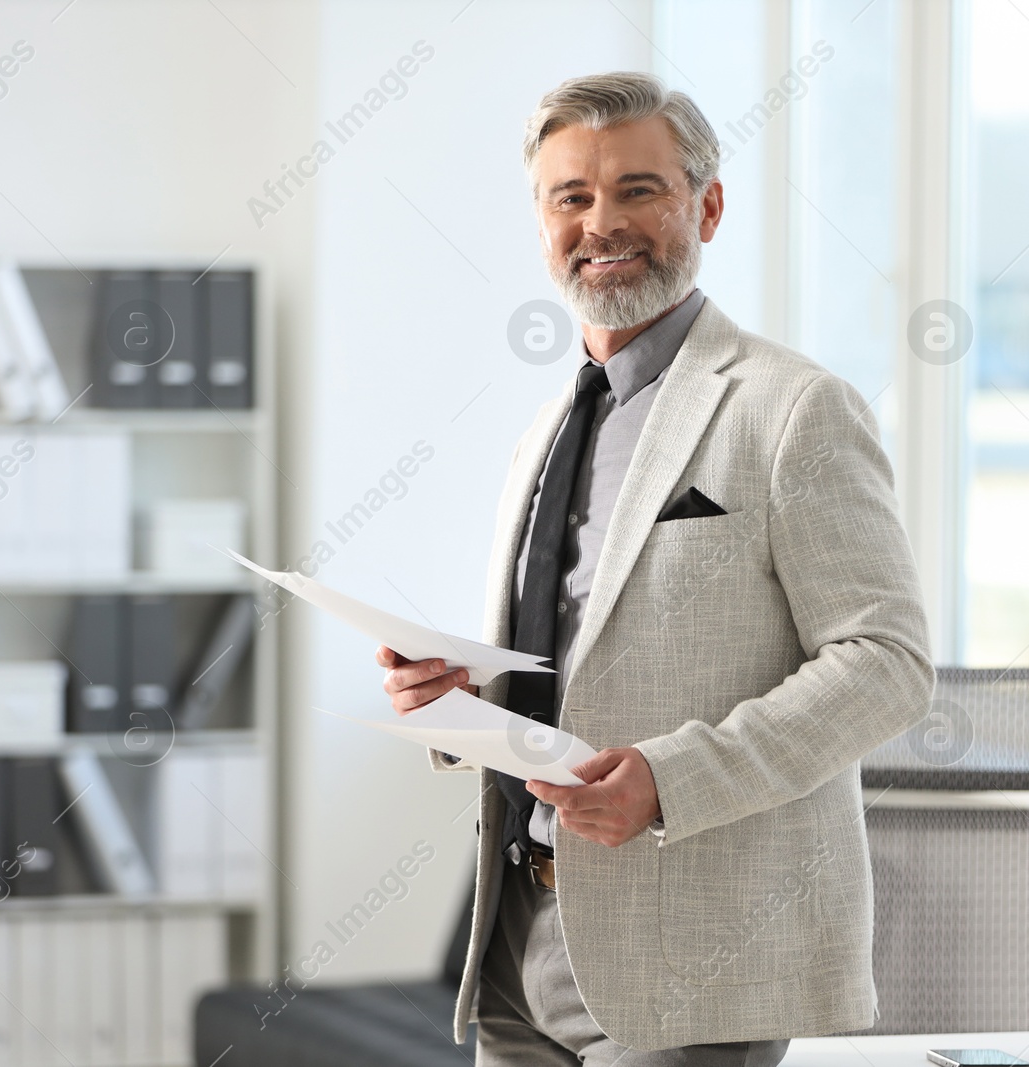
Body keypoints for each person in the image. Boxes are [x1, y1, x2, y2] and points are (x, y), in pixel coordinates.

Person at [376, 70, 933, 1067]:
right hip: (515, 946)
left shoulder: (792, 407)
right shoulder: (548, 426)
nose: (602, 222)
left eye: (639, 189)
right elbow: (569, 665)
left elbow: (885, 662)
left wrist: (669, 780)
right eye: (571, 197)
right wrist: (459, 702)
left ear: (707, 206)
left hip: (692, 957)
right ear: (541, 220)